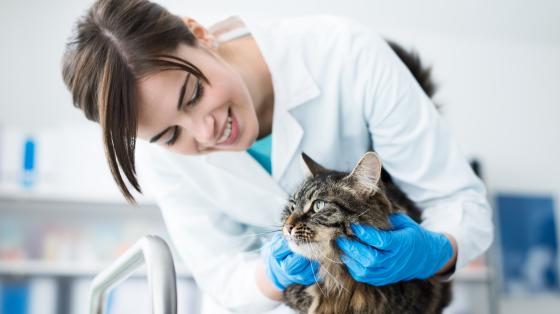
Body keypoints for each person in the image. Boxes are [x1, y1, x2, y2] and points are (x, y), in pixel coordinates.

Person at [61, 0, 494, 313]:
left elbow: (458, 201)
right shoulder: (163, 157)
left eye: (192, 95)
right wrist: (270, 276)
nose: (206, 132)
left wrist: (434, 250)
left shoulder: (342, 52)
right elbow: (220, 270)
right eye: (171, 133)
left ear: (199, 32)